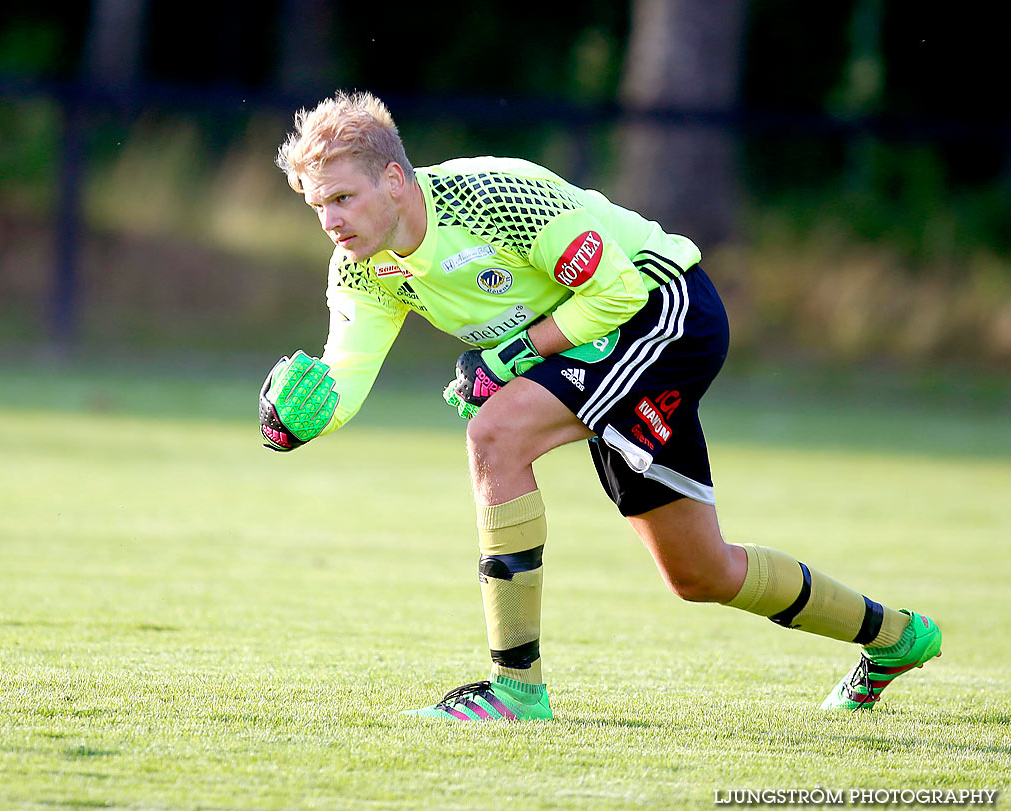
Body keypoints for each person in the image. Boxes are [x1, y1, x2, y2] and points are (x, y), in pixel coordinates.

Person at [258, 90, 941, 721]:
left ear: (395, 180)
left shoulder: (493, 196)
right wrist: (294, 419)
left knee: (496, 435)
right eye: (318, 206)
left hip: (664, 305)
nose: (331, 222)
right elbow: (343, 378)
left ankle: (515, 688)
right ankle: (897, 638)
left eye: (342, 198)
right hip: (594, 347)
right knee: (699, 573)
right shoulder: (360, 265)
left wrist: (509, 357)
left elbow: (618, 293)